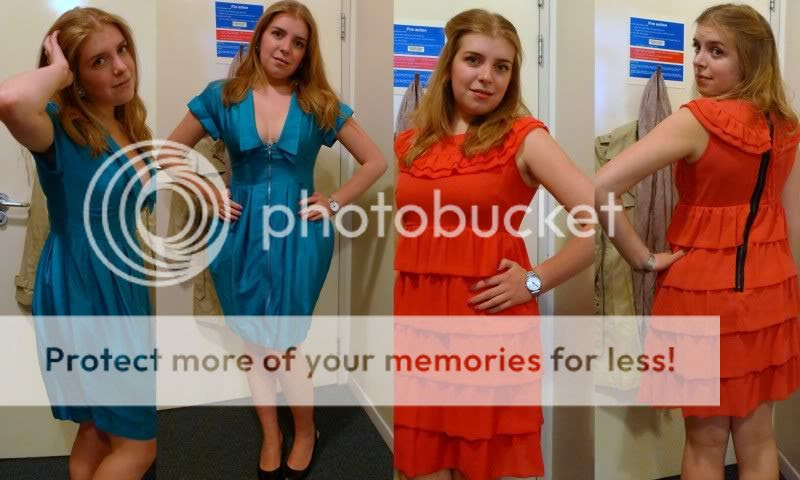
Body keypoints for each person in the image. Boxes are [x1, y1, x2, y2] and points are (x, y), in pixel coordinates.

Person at [165, 1, 387, 479]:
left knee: (285, 343)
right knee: (252, 341)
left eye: (298, 42)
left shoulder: (320, 103)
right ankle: (271, 434)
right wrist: (207, 189)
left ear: (307, 53)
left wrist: (334, 202)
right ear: (260, 37)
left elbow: (375, 161)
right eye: (278, 34)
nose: (286, 48)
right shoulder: (221, 96)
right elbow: (167, 153)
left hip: (298, 234)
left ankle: (306, 431)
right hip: (237, 232)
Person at [595, 4, 800, 479]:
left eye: (716, 51)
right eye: (697, 47)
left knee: (706, 444)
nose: (699, 61)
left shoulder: (698, 119)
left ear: (751, 59)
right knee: (758, 438)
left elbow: (602, 186)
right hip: (769, 293)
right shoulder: (786, 125)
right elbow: (790, 219)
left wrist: (642, 259)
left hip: (700, 293)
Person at [393, 9, 594, 480]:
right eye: (474, 60)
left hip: (488, 326)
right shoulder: (412, 143)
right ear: (449, 64)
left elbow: (599, 224)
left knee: (481, 465)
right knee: (422, 465)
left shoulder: (524, 138)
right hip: (420, 325)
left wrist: (534, 281)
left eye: (501, 67)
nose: (487, 76)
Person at [0, 7, 156, 480]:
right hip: (86, 292)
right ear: (75, 76)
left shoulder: (127, 123)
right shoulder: (59, 127)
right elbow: (9, 99)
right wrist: (57, 70)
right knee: (139, 446)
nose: (121, 67)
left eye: (122, 50)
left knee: (96, 427)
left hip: (117, 284)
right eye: (98, 61)